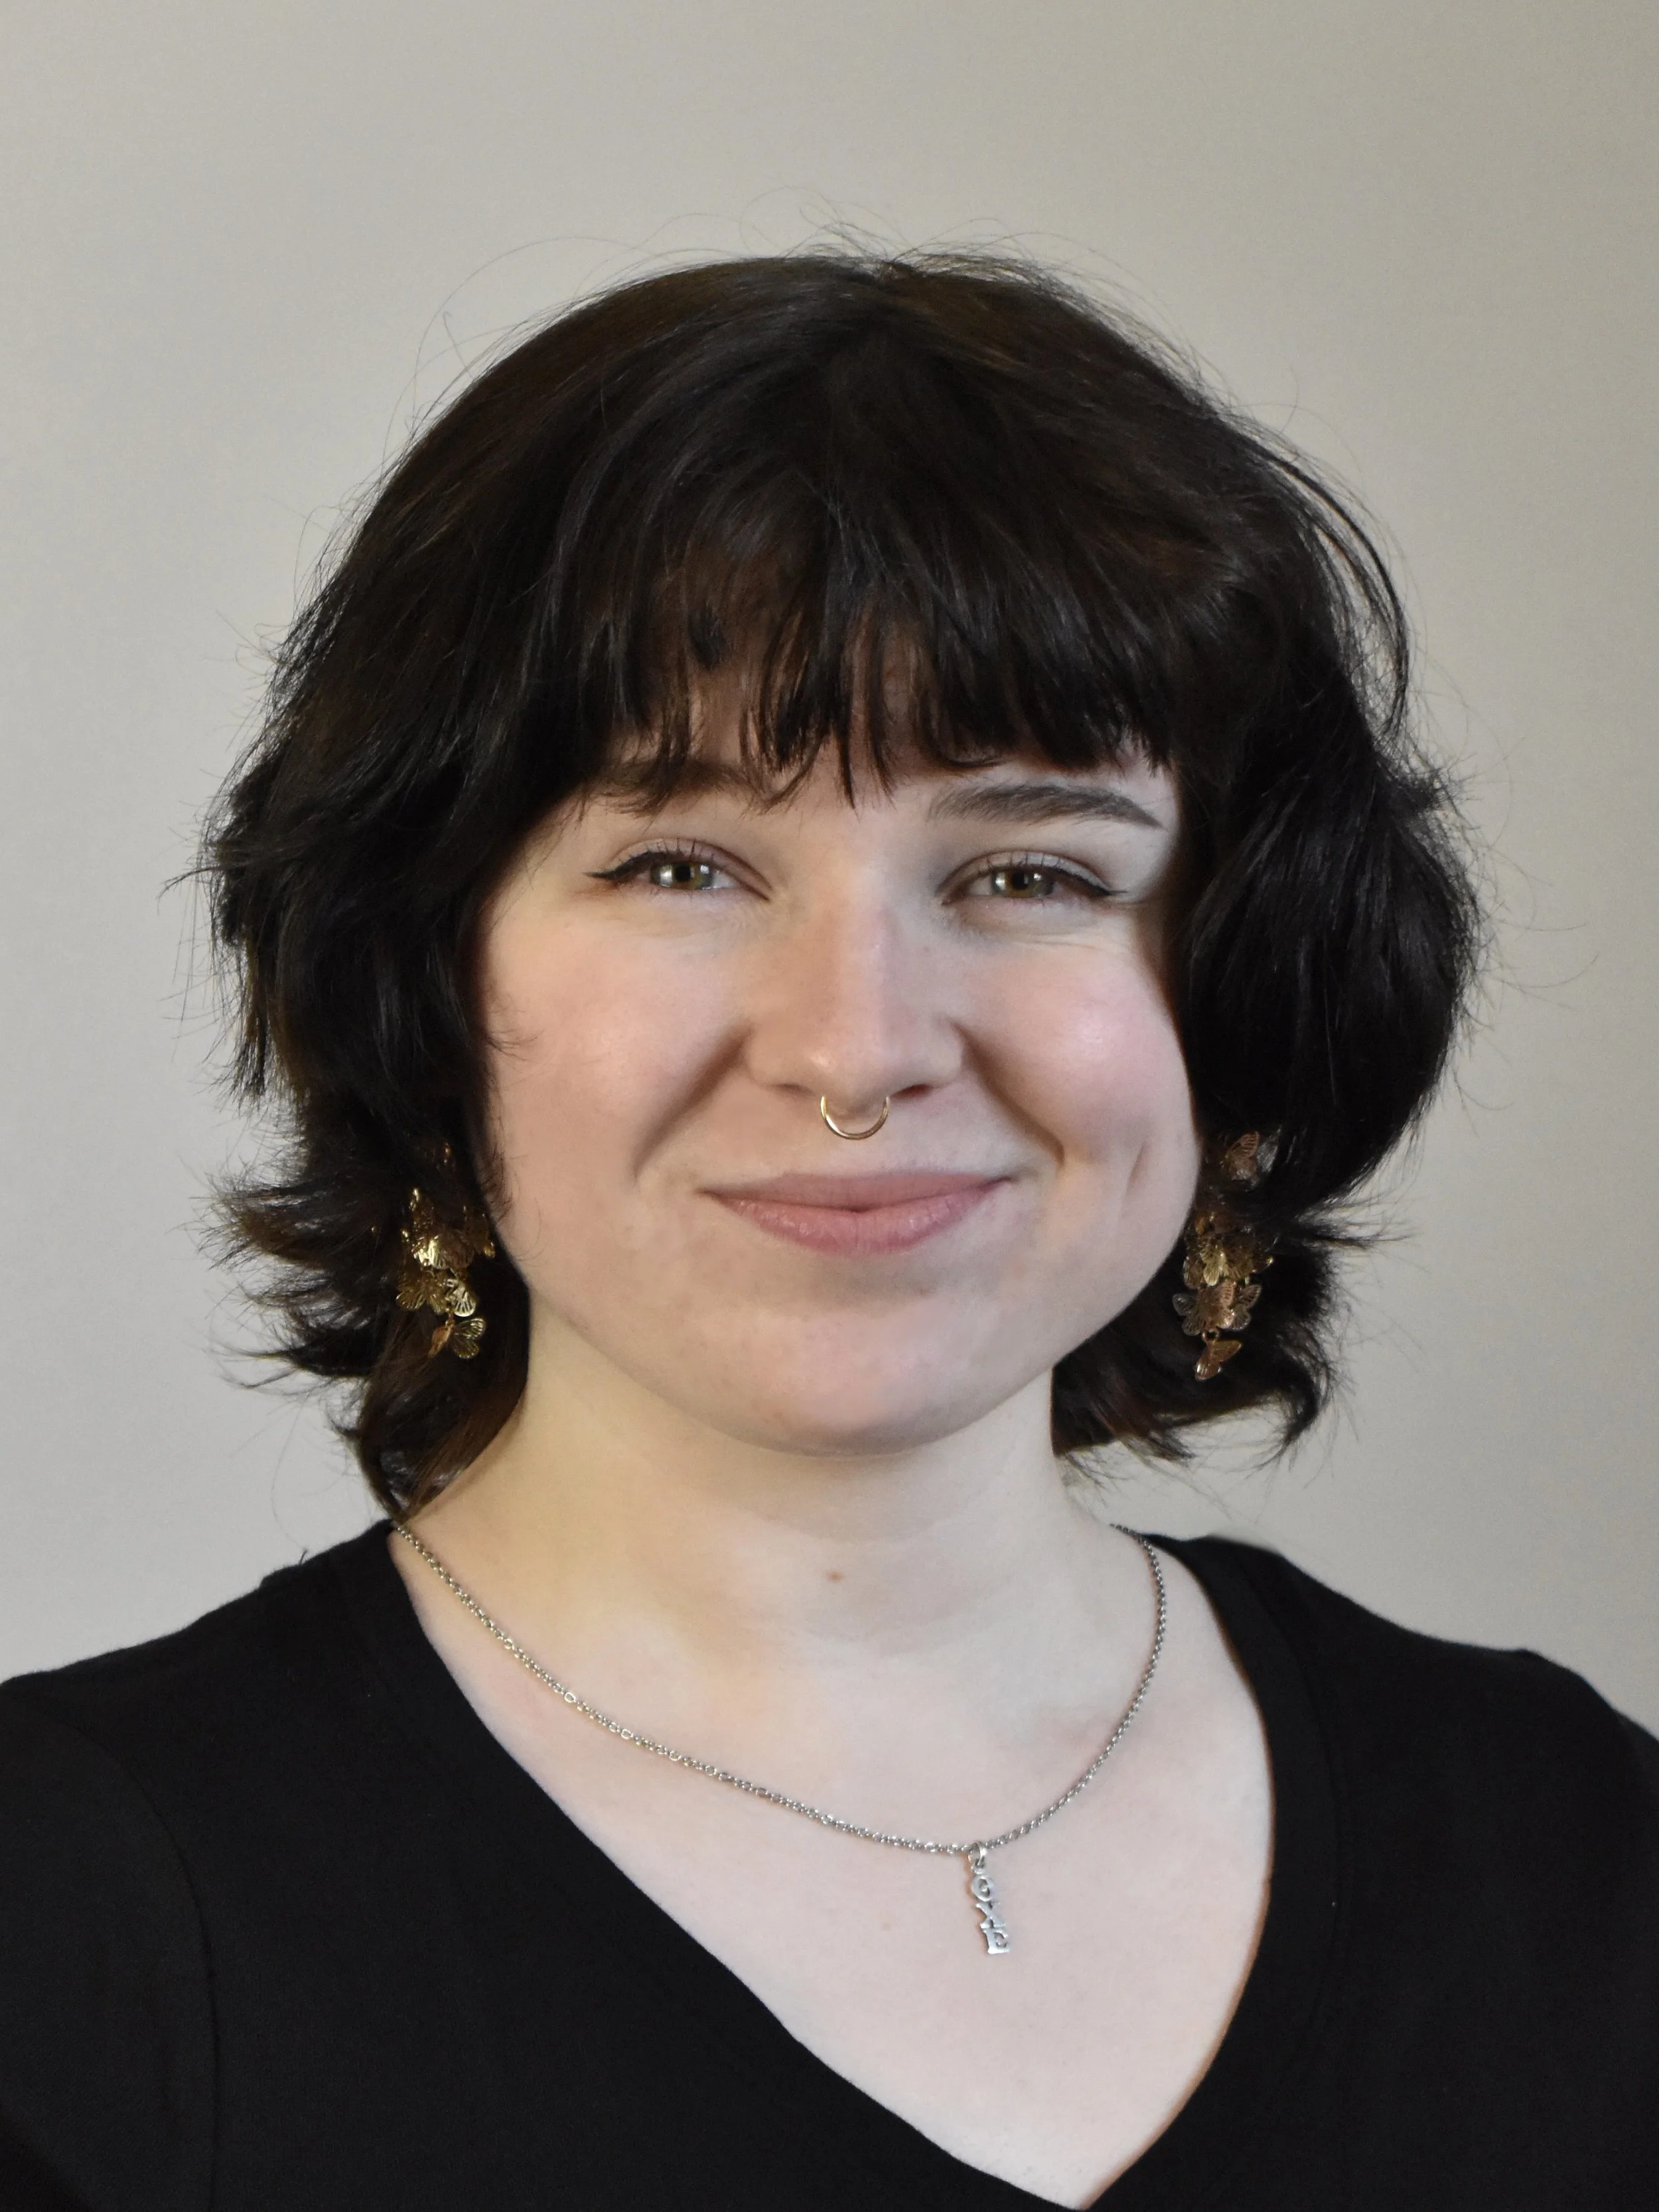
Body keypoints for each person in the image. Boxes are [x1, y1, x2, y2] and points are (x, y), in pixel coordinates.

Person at [1, 251, 1654, 2212]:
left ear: (1250, 994)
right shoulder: (62, 1922)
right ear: (422, 986)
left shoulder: (1573, 1844)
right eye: (681, 862)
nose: (856, 1045)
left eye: (1028, 868)